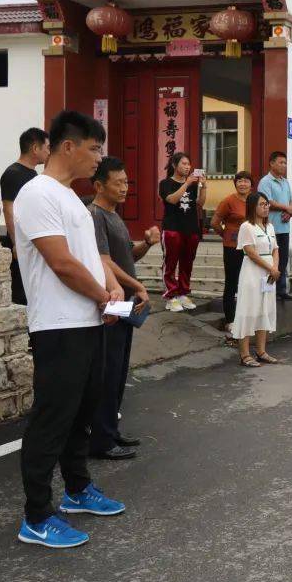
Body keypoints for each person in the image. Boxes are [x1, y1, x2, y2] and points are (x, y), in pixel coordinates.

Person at [14, 110, 126, 549]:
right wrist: (103, 296)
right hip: (59, 326)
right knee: (53, 419)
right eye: (95, 148)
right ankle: (37, 515)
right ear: (68, 147)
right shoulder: (36, 194)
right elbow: (60, 263)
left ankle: (78, 491)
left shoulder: (72, 200)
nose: (99, 158)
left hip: (88, 321)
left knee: (83, 414)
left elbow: (91, 256)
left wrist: (111, 284)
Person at [88, 156, 160, 460]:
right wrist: (139, 286)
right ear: (99, 185)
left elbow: (129, 255)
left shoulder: (115, 216)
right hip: (111, 303)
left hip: (127, 304)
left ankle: (111, 431)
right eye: (118, 183)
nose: (124, 188)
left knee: (118, 371)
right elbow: (105, 262)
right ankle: (101, 440)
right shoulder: (95, 215)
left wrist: (147, 244)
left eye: (126, 182)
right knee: (108, 370)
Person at [0, 127, 50, 305]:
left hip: (34, 239)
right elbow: (9, 210)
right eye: (47, 147)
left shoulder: (33, 174)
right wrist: (16, 243)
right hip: (22, 242)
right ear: (35, 148)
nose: (49, 152)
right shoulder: (13, 174)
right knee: (21, 293)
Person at [233, 191, 280, 367]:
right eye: (262, 204)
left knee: (264, 309)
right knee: (248, 309)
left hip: (268, 275)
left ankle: (261, 351)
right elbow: (251, 253)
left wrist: (274, 268)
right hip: (253, 273)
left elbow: (275, 249)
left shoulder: (270, 227)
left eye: (267, 204)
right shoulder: (247, 227)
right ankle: (244, 354)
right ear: (253, 207)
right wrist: (270, 268)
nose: (266, 207)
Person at [158, 152, 205, 312]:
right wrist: (186, 183)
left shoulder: (193, 185)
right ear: (174, 165)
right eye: (183, 164)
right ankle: (171, 296)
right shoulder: (165, 183)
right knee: (170, 263)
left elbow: (200, 203)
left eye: (188, 164)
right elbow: (171, 199)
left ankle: (183, 293)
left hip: (191, 228)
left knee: (187, 263)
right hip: (172, 228)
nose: (187, 167)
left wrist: (203, 186)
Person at [211, 171, 253, 335]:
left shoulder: (254, 200)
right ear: (235, 184)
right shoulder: (228, 201)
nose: (243, 184)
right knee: (232, 283)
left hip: (250, 248)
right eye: (239, 181)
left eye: (246, 181)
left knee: (247, 283)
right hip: (232, 247)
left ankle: (246, 317)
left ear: (251, 184)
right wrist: (226, 235)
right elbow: (215, 222)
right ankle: (230, 320)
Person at [258, 151, 292, 301]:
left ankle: (281, 290)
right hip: (270, 229)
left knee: (283, 260)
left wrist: (290, 211)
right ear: (271, 163)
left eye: (285, 163)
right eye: (281, 162)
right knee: (270, 261)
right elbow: (268, 202)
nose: (284, 166)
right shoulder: (265, 182)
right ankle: (269, 290)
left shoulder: (285, 182)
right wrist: (286, 208)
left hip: (284, 228)